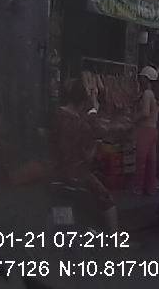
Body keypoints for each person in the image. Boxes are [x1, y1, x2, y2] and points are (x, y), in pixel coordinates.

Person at [51, 78, 119, 231]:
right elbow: (88, 155)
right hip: (78, 174)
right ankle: (115, 239)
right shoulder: (82, 124)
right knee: (106, 199)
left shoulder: (56, 115)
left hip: (56, 172)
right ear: (82, 102)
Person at [132, 66, 159, 196]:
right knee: (151, 161)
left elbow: (145, 113)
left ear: (146, 78)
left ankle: (138, 187)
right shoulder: (152, 94)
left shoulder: (147, 94)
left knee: (141, 160)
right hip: (153, 130)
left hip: (145, 129)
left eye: (142, 77)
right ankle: (150, 188)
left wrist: (133, 119)